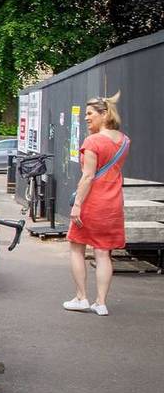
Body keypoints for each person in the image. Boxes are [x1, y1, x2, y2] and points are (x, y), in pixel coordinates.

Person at [65, 92, 129, 316]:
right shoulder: (124, 140)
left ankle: (81, 297)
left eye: (90, 113)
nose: (86, 118)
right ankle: (101, 303)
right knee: (103, 253)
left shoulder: (93, 141)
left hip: (92, 203)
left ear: (104, 115)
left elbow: (88, 177)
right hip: (113, 203)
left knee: (76, 248)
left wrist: (77, 205)